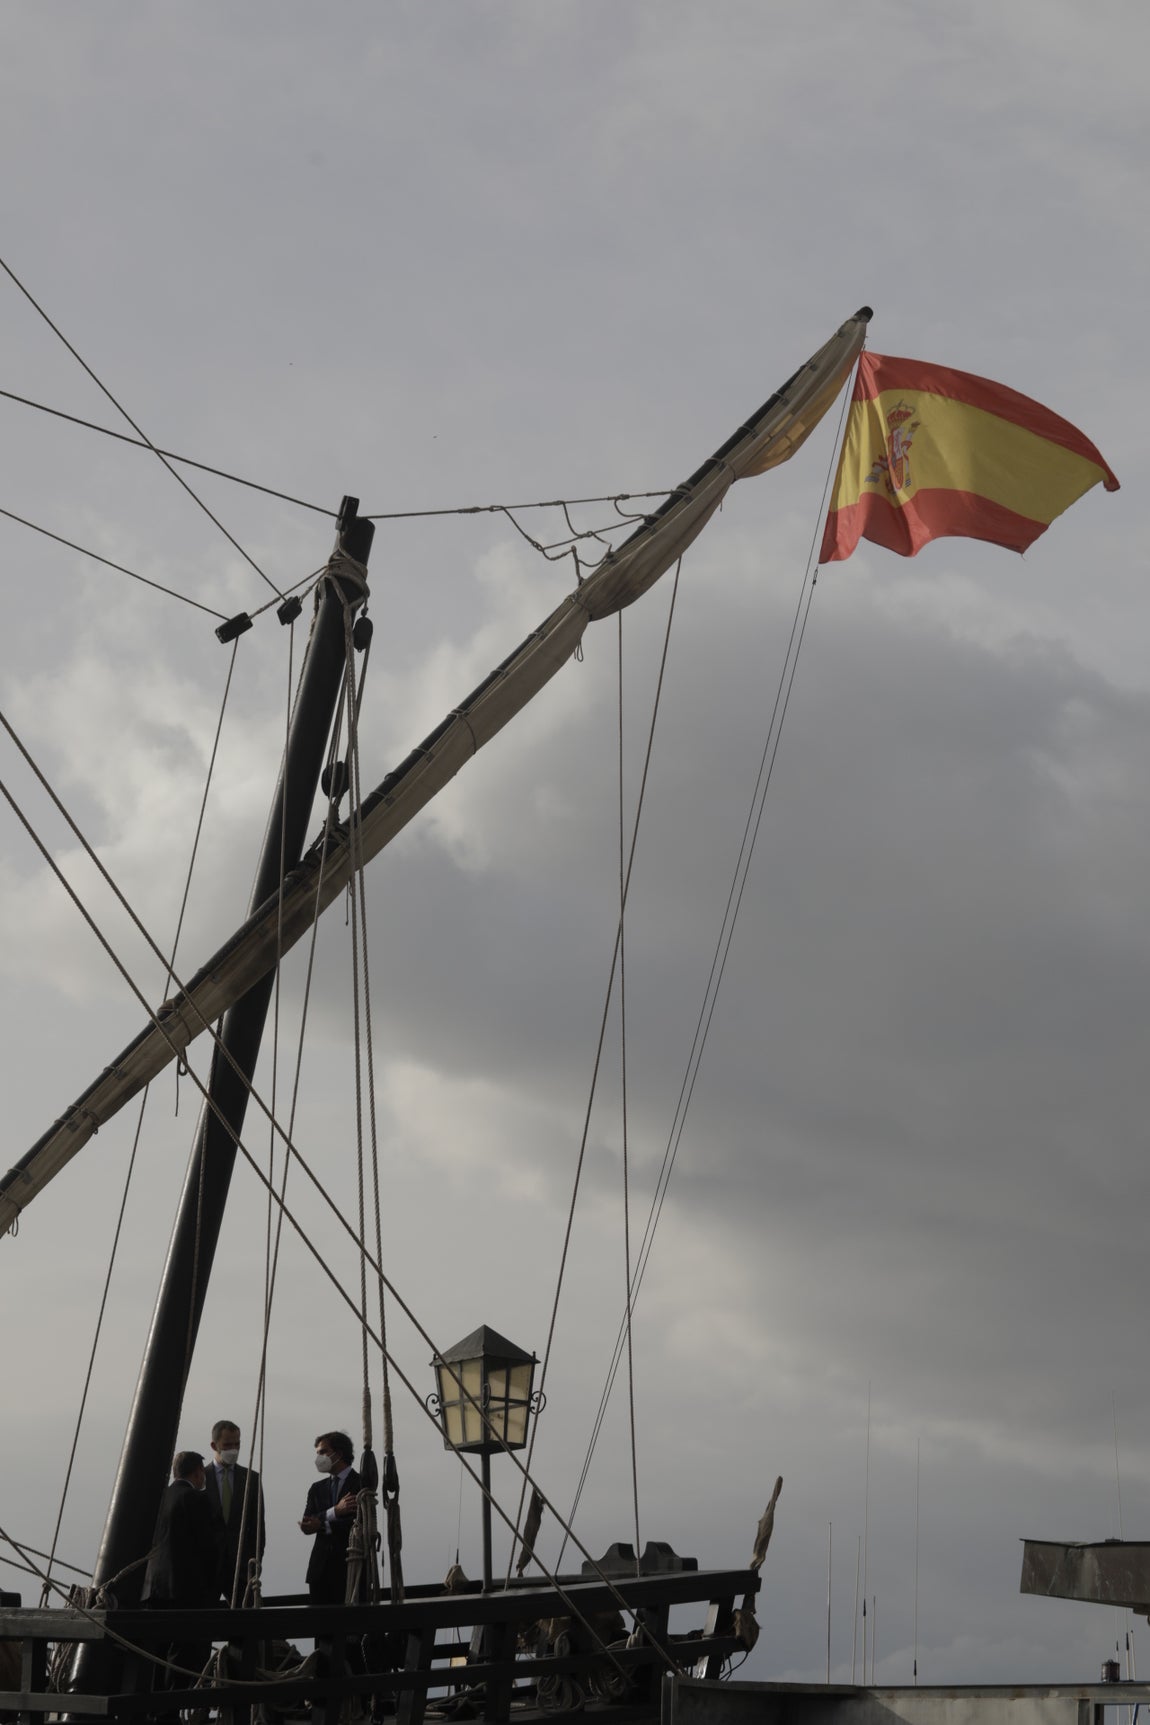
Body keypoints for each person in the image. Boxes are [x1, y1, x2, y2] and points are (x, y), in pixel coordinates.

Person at [142, 1451, 222, 1711]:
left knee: (158, 1650)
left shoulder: (158, 1497)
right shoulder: (195, 1499)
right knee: (182, 1652)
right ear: (198, 1472)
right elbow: (207, 1548)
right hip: (185, 1589)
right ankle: (170, 1710)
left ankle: (154, 1707)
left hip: (154, 1587)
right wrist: (213, 1586)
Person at [203, 1419, 266, 1604]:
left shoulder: (251, 1479)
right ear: (214, 1445)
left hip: (241, 1567)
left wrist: (255, 1564)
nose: (234, 1449)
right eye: (228, 1445)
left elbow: (258, 1527)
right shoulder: (201, 1478)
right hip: (208, 1567)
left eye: (237, 1444)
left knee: (249, 1621)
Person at [299, 1431, 361, 1604]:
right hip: (320, 1570)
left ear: (339, 1453)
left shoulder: (361, 1483)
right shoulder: (317, 1488)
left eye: (323, 1452)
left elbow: (358, 1524)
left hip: (350, 1568)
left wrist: (321, 1525)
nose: (318, 1458)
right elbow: (307, 1522)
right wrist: (335, 1511)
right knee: (321, 1627)